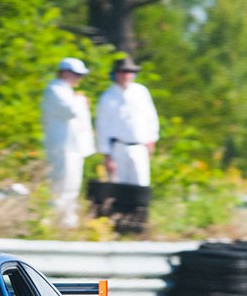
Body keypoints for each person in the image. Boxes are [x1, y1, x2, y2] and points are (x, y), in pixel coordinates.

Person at [41, 57, 96, 228]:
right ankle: (51, 222)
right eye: (76, 74)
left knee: (72, 187)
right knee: (60, 187)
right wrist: (80, 100)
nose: (79, 78)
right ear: (65, 73)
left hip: (73, 147)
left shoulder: (67, 92)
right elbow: (70, 111)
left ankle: (67, 223)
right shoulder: (55, 89)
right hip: (63, 146)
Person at [95, 56, 159, 187]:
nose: (126, 75)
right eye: (123, 72)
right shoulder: (108, 97)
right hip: (118, 147)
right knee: (119, 186)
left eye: (129, 72)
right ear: (116, 74)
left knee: (140, 184)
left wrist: (151, 140)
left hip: (140, 146)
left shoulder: (141, 92)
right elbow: (102, 127)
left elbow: (151, 117)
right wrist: (107, 156)